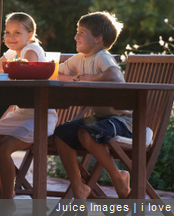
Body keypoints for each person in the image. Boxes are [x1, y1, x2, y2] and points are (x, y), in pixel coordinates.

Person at [0, 12, 58, 202]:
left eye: (17, 33)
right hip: (21, 112)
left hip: (39, 115)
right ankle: (7, 190)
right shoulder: (13, 52)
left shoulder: (31, 50)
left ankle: (6, 199)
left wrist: (2, 69)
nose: (11, 37)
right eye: (7, 32)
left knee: (3, 149)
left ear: (30, 35)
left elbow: (21, 78)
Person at [53, 11, 130, 200]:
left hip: (123, 120)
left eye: (81, 32)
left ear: (97, 39)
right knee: (61, 134)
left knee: (88, 133)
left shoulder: (102, 56)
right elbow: (54, 72)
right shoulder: (80, 59)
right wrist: (73, 77)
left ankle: (118, 176)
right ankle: (79, 187)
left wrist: (89, 78)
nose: (75, 36)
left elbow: (116, 77)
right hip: (101, 119)